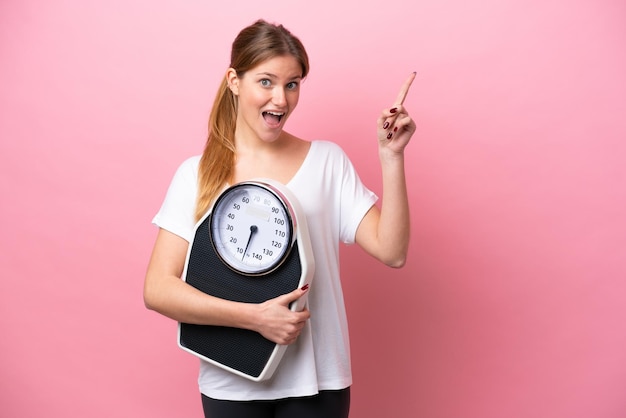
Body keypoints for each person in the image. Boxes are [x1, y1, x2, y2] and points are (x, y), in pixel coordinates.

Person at [143, 19, 415, 418]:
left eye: (292, 84)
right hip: (231, 384)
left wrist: (391, 157)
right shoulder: (198, 173)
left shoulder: (327, 161)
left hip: (319, 384)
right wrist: (254, 319)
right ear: (235, 81)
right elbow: (158, 289)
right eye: (266, 82)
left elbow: (392, 252)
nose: (281, 100)